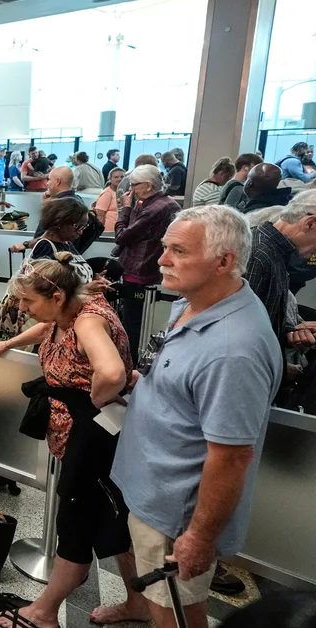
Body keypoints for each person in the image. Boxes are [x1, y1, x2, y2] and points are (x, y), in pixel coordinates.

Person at [109, 205, 282, 628]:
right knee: (156, 596)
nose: (161, 260)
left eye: (178, 251)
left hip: (176, 511)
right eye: (165, 247)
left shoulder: (233, 350)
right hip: (151, 489)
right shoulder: (194, 302)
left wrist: (199, 538)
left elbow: (231, 457)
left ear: (224, 261)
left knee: (175, 610)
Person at [0, 254, 144, 628]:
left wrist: (96, 401)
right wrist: (7, 344)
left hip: (93, 439)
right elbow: (48, 330)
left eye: (28, 302)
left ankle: (43, 613)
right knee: (110, 519)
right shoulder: (73, 309)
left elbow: (114, 371)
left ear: (55, 297)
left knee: (76, 522)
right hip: (90, 435)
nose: (23, 309)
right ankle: (138, 601)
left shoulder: (88, 322)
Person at [114, 165, 180, 360]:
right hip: (146, 269)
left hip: (139, 271)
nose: (131, 189)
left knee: (133, 326)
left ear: (148, 185)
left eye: (134, 185)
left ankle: (130, 364)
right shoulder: (163, 204)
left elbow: (122, 235)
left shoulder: (155, 208)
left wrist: (125, 209)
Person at [245, 190, 316, 353]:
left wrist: (289, 333)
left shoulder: (273, 251)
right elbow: (241, 335)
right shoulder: (259, 255)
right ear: (310, 223)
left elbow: (261, 324)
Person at [93, 168, 125, 232]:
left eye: (122, 177)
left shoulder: (125, 192)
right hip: (109, 232)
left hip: (121, 230)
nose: (119, 179)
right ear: (110, 179)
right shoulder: (107, 193)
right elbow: (100, 215)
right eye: (116, 177)